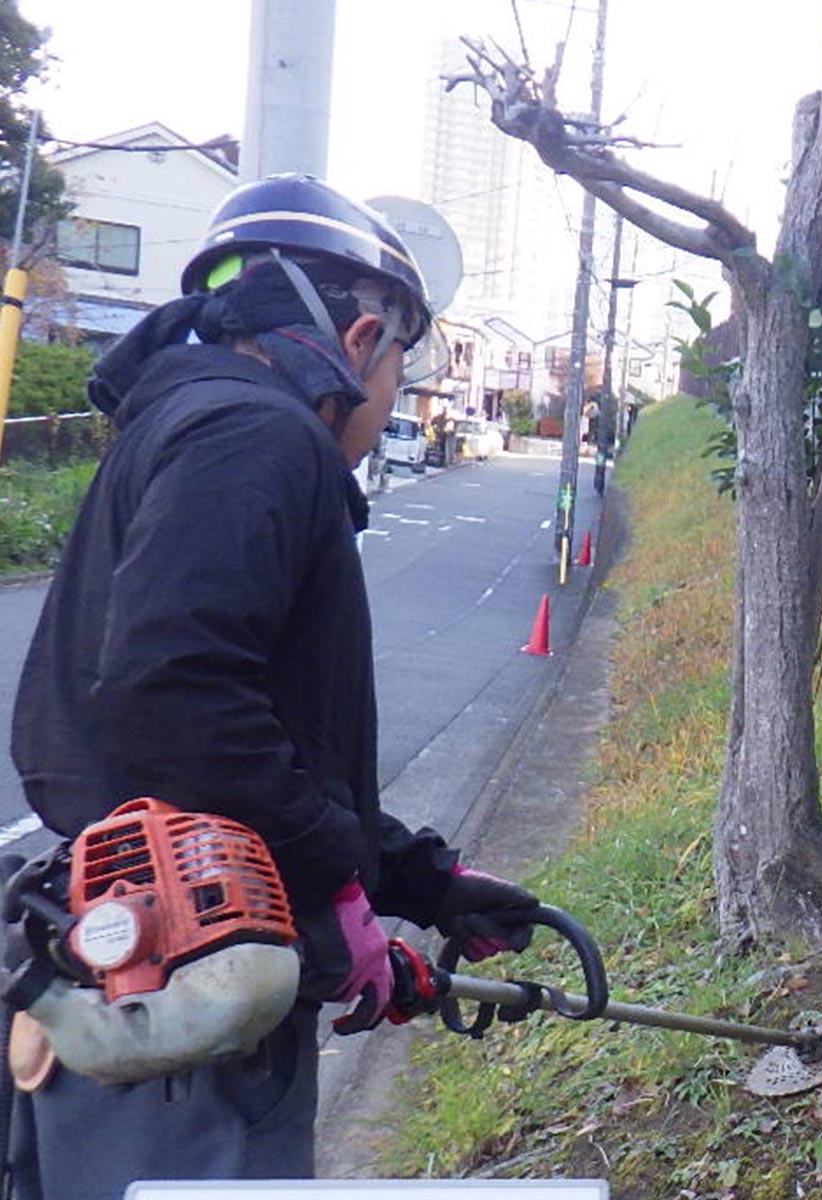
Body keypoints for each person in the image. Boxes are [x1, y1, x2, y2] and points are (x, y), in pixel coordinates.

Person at [6, 175, 542, 1198]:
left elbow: (261, 733)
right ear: (359, 341)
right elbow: (177, 697)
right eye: (399, 366)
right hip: (184, 993)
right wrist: (338, 887)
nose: (391, 397)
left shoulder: (185, 425)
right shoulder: (256, 437)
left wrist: (412, 880)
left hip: (127, 960)